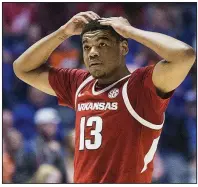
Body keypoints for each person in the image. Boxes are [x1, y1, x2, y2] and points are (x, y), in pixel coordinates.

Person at [13, 11, 195, 183]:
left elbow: (184, 55)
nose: (92, 52)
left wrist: (131, 32)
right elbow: (22, 68)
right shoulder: (79, 82)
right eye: (86, 46)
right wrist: (63, 32)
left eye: (102, 44)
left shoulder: (140, 86)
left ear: (123, 48)